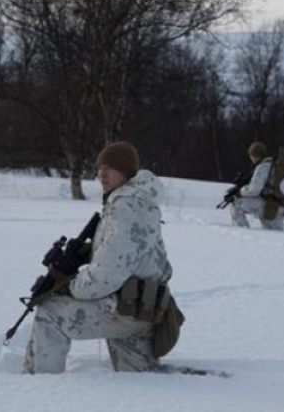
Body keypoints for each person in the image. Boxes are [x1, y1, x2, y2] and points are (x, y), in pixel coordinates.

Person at [23, 141, 174, 373]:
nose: (102, 173)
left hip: (125, 310)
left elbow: (106, 275)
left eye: (111, 166)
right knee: (138, 381)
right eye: (100, 166)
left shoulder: (127, 204)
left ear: (126, 171)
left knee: (50, 312)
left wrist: (69, 286)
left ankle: (38, 390)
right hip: (140, 309)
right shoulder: (139, 201)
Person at [229, 141, 284, 230]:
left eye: (250, 155)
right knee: (273, 233)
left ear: (254, 154)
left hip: (266, 204)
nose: (250, 157)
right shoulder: (271, 164)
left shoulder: (263, 167)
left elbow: (254, 190)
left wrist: (240, 191)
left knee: (236, 203)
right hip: (277, 205)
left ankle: (242, 231)